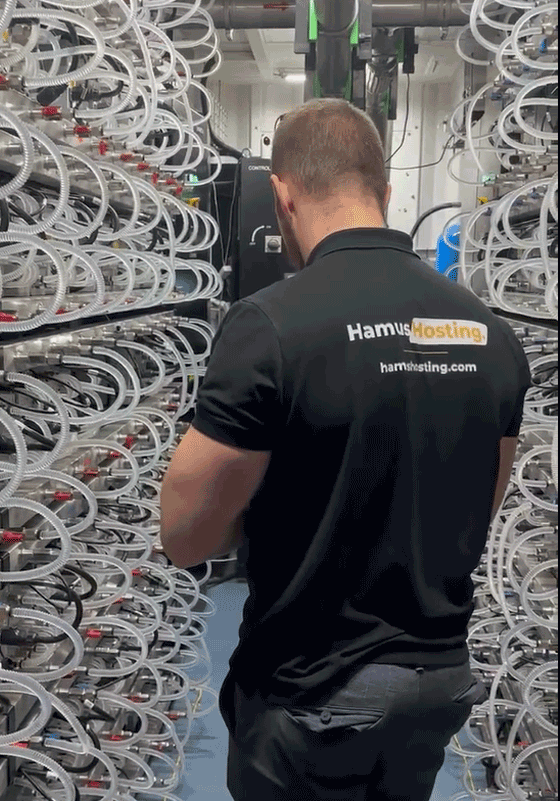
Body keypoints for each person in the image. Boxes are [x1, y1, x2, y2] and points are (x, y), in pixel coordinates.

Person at [160, 98, 532, 801]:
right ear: (386, 193)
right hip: (435, 684)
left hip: (311, 694)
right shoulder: (491, 334)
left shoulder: (270, 326)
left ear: (282, 192)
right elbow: (477, 504)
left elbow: (184, 536)